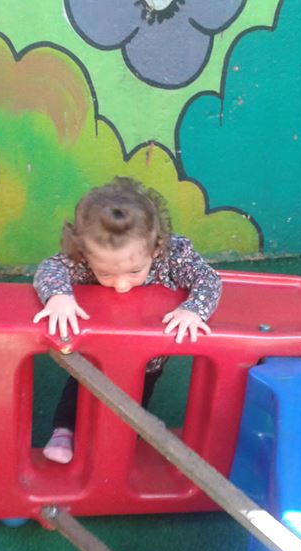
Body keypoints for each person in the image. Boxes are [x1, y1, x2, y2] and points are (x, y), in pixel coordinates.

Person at [32, 177, 222, 463]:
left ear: (156, 248)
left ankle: (121, 445)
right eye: (106, 274)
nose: (121, 284)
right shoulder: (85, 258)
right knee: (79, 387)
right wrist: (58, 296)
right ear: (85, 255)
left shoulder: (173, 256)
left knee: (135, 401)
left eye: (134, 272)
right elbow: (50, 268)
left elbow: (208, 278)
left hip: (147, 361)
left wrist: (193, 310)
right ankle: (64, 433)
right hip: (95, 354)